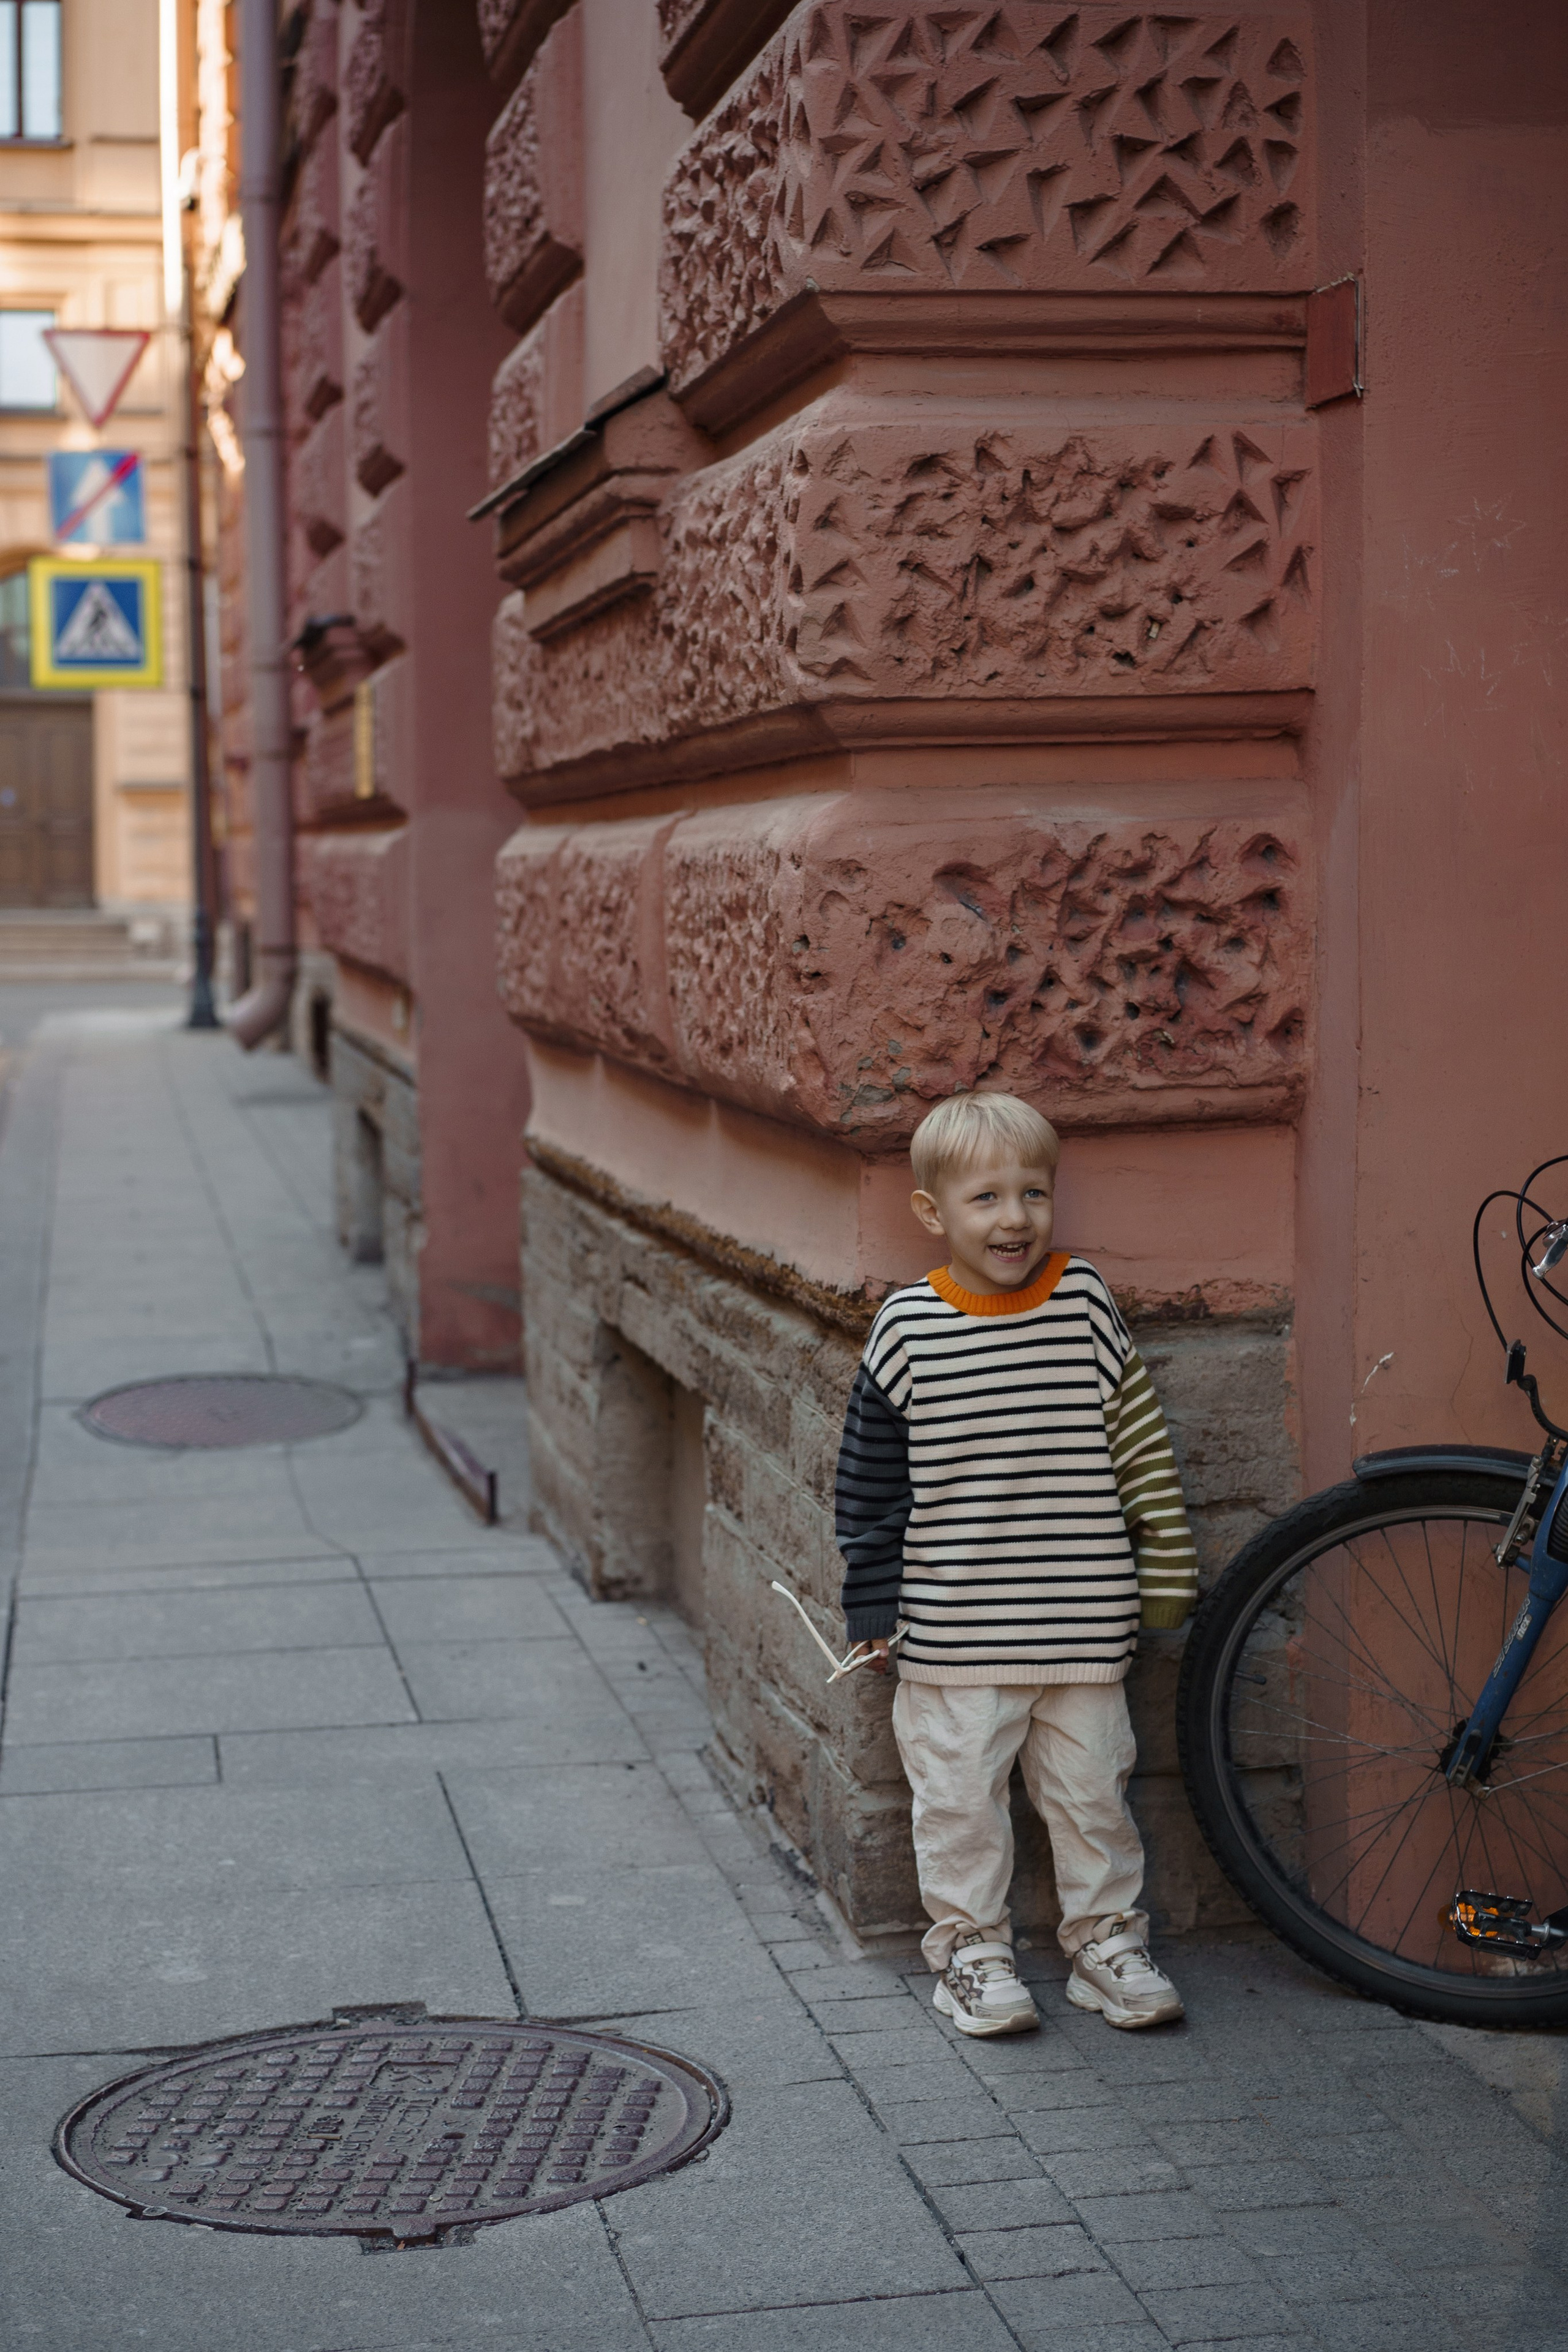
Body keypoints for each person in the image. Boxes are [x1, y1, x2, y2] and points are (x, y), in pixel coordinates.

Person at [834, 1090, 1197, 2035]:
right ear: (933, 1213)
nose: (1014, 1219)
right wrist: (871, 1610)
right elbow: (869, 1487)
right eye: (986, 1198)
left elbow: (1140, 1447)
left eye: (1033, 1194)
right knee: (959, 1808)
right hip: (953, 1632)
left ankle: (1105, 1944)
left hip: (1082, 1623)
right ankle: (972, 1950)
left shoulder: (1082, 1302)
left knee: (1093, 1802)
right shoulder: (907, 1330)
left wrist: (1163, 1576)